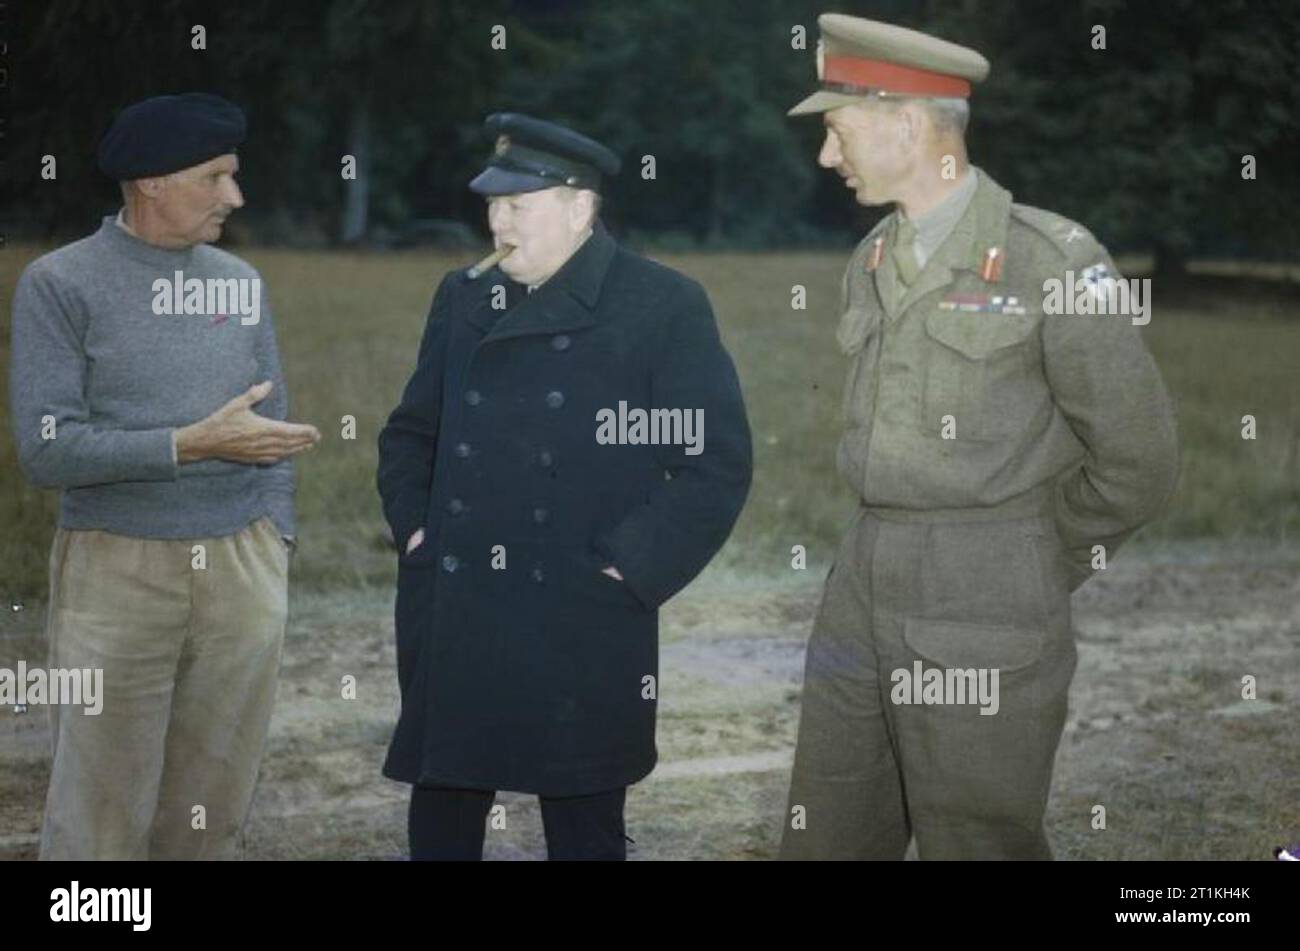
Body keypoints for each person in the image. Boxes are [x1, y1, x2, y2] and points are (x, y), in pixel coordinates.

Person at [779, 14, 1179, 860]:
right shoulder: (874, 257)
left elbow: (1139, 461)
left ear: (908, 124)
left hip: (987, 593)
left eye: (836, 131)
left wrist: (1031, 555)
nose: (825, 156)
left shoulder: (1053, 261)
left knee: (978, 842)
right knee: (829, 832)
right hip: (862, 580)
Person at [377, 112, 752, 861]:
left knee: (583, 821)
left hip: (580, 607)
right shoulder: (464, 295)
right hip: (460, 601)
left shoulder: (659, 305)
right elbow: (411, 432)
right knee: (444, 810)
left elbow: (710, 463)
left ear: (580, 208)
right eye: (491, 204)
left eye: (518, 205)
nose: (496, 222)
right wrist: (419, 530)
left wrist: (627, 568)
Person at [9, 93, 321, 859]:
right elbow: (47, 450)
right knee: (100, 810)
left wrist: (275, 540)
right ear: (153, 181)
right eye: (217, 177)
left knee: (210, 807)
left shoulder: (240, 282)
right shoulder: (60, 284)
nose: (235, 197)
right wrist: (188, 444)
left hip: (243, 568)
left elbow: (272, 428)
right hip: (118, 567)